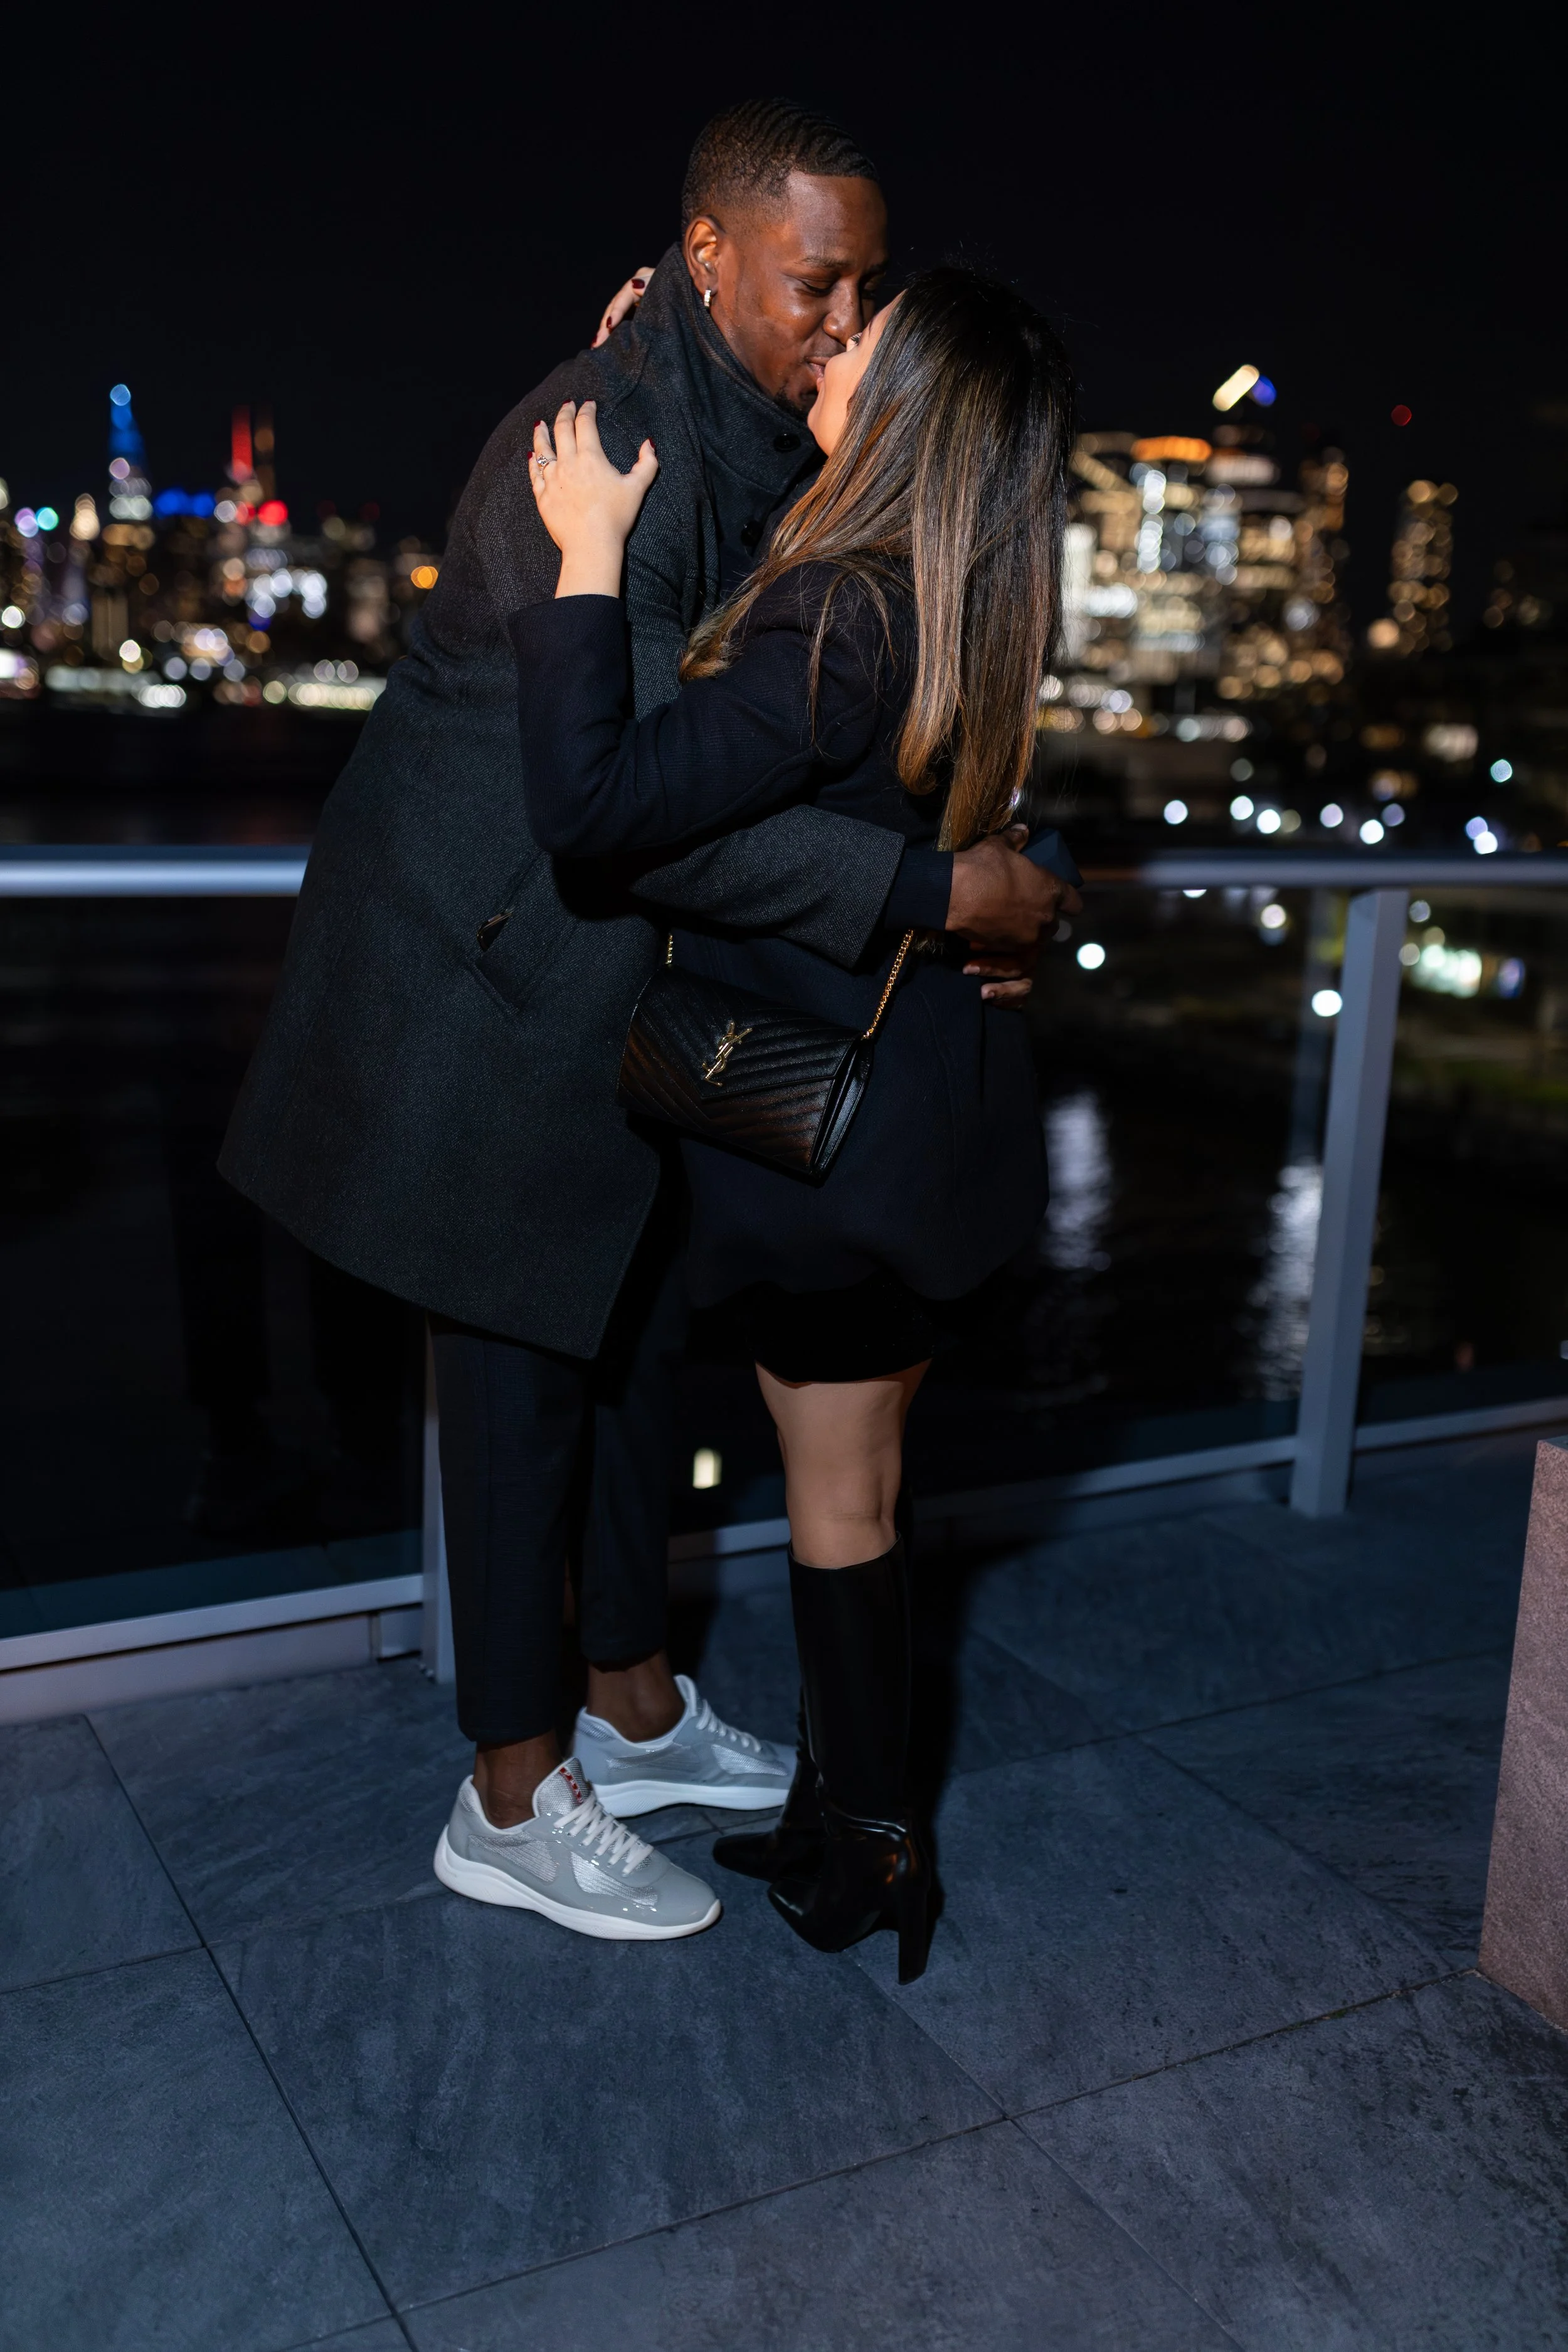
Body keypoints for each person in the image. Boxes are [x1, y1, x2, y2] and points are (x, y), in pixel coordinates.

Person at [221, 103, 1073, 1946]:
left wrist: (979, 873)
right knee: (517, 1390)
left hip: (611, 986)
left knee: (617, 1363)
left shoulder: (737, 422)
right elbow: (609, 813)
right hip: (490, 977)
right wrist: (932, 896)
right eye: (814, 285)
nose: (843, 323)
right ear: (707, 259)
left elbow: (825, 694)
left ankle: (631, 1701)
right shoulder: (613, 443)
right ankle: (509, 1793)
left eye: (861, 290)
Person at [516, 267, 1077, 1982]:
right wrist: (654, 362)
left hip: (829, 1141)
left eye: (862, 339)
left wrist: (587, 552)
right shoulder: (968, 603)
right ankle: (843, 1809)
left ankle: (879, 1848)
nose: (831, 343)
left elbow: (597, 809)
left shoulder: (837, 612)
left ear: (909, 408)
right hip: (928, 1125)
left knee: (838, 1498)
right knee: (871, 1479)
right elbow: (966, 832)